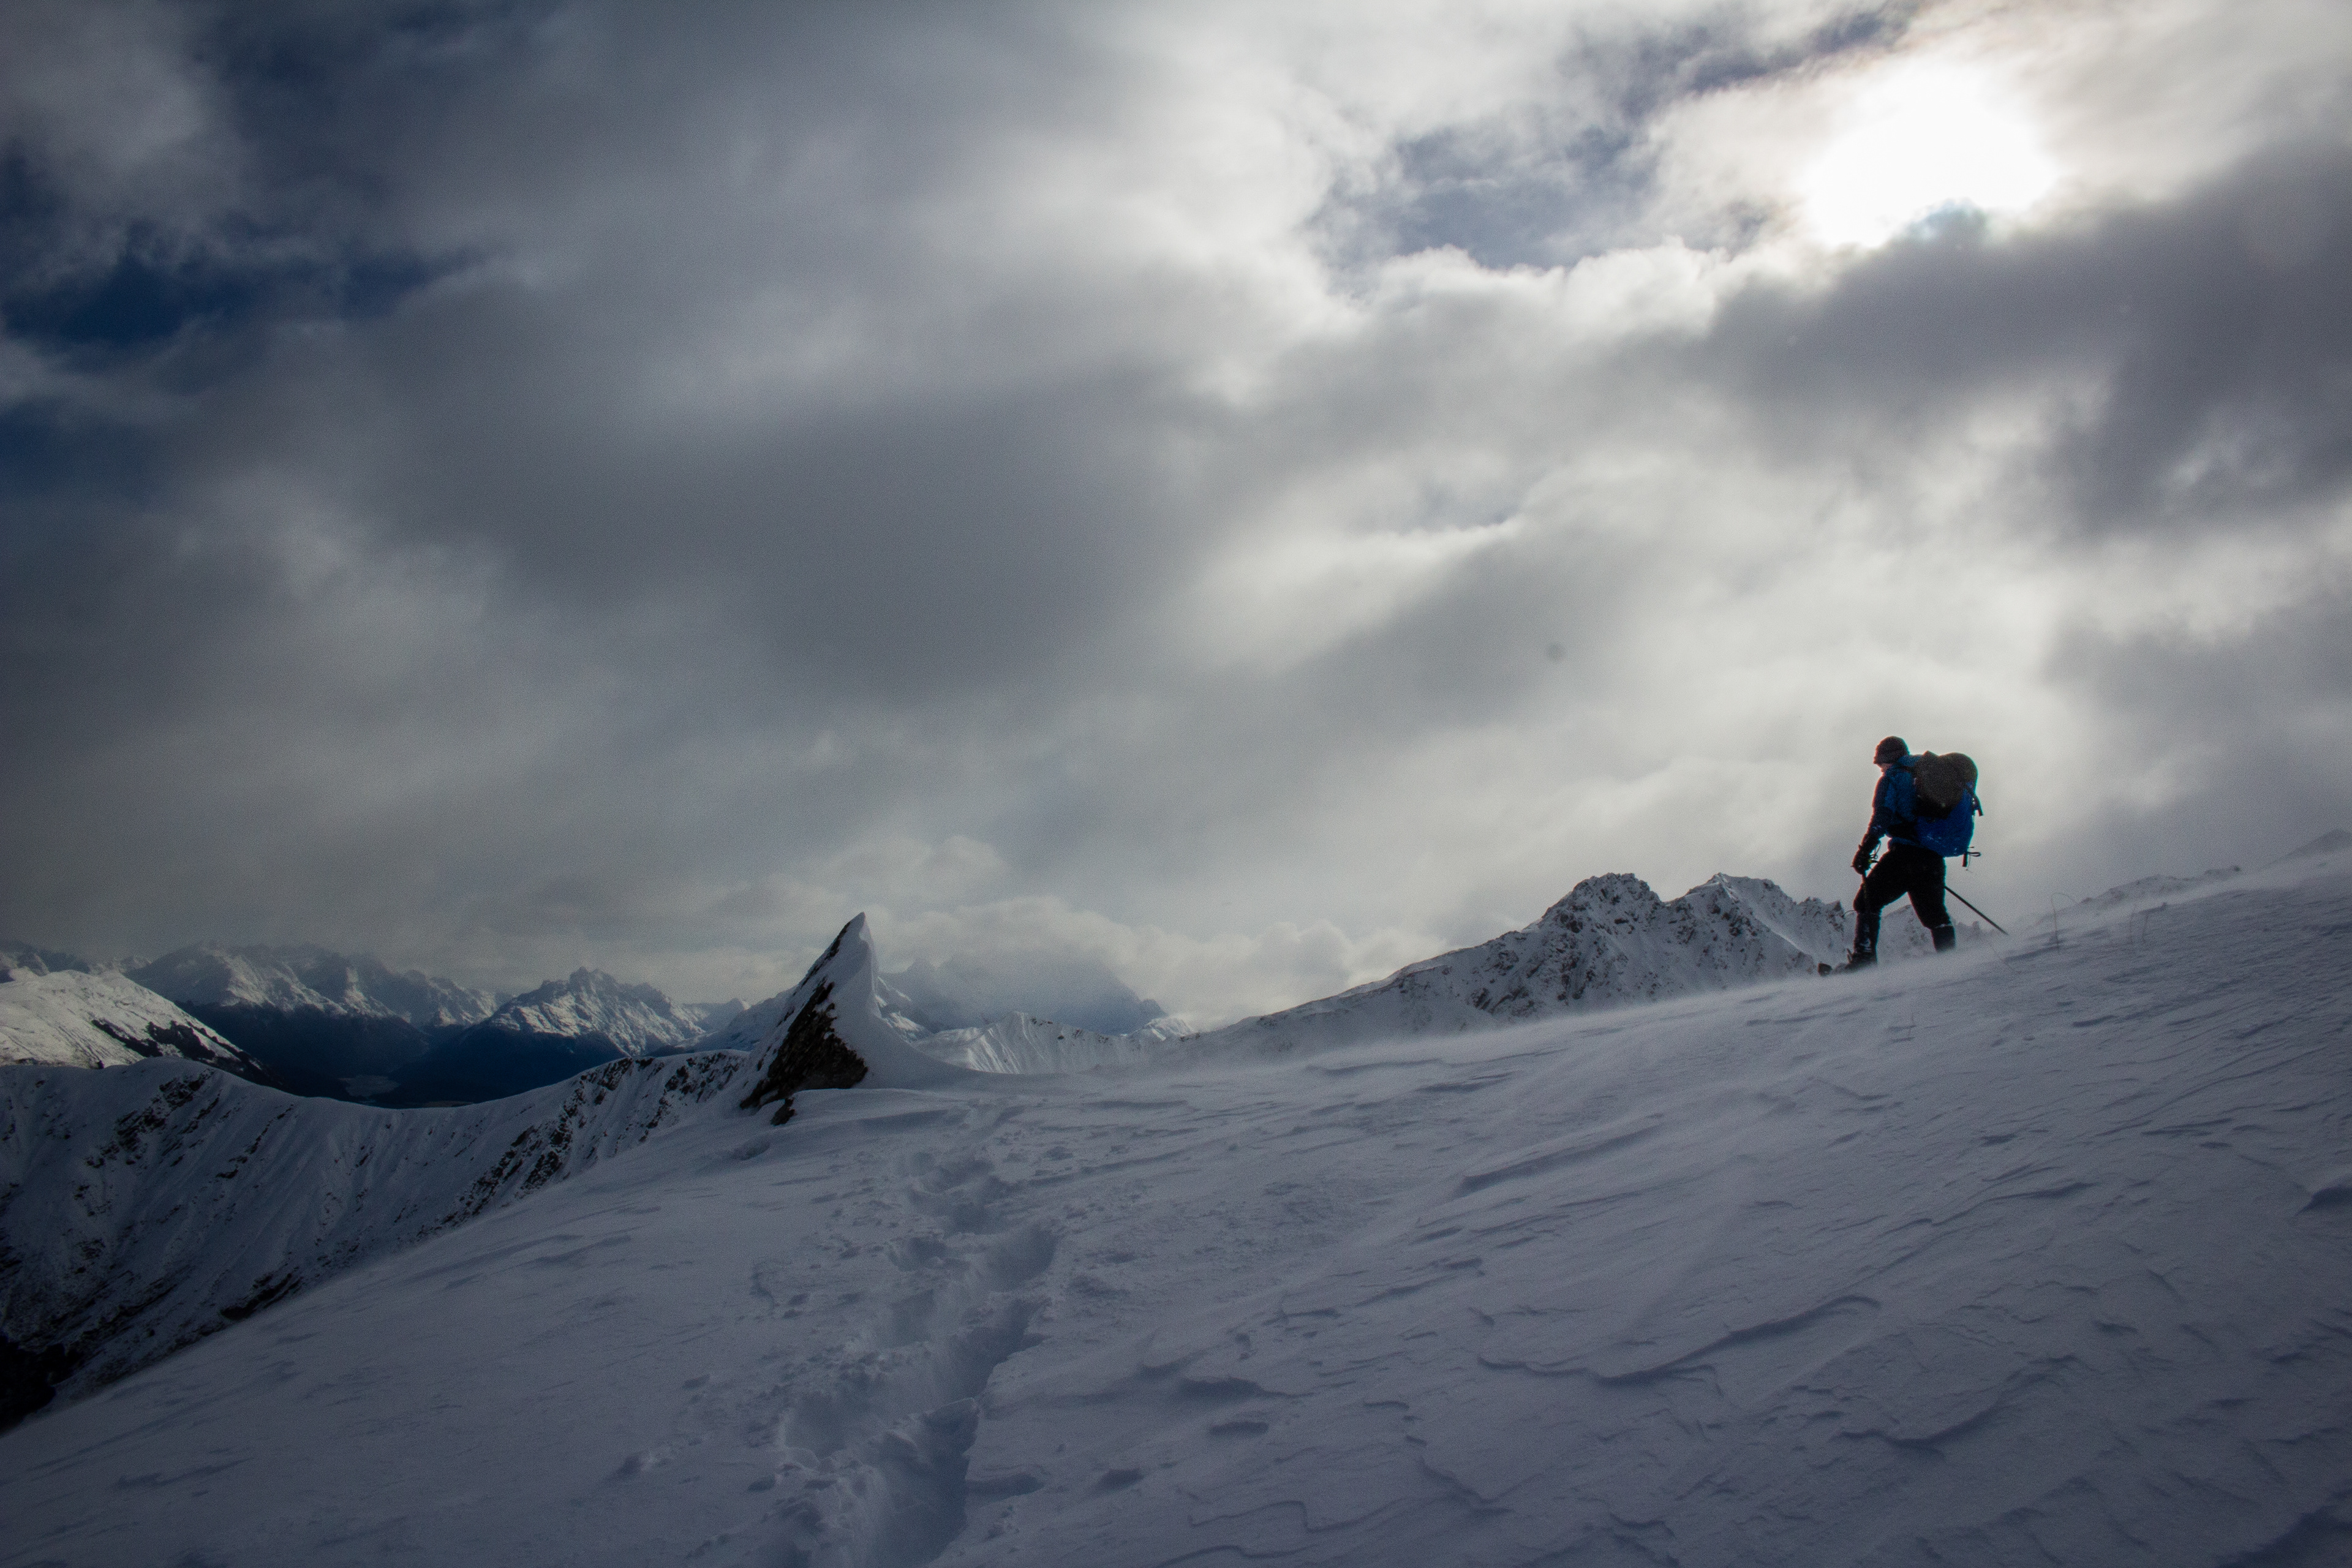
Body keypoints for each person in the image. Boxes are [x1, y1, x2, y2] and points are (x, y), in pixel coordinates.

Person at [1844, 735, 1957, 968]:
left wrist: (1865, 849)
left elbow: (1882, 816)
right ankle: (1952, 965)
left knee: (1866, 902)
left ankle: (1863, 961)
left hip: (1905, 856)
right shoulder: (1927, 773)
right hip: (1933, 857)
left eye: (1881, 763)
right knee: (1936, 917)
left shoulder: (1893, 778)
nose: (1881, 769)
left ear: (1889, 759)